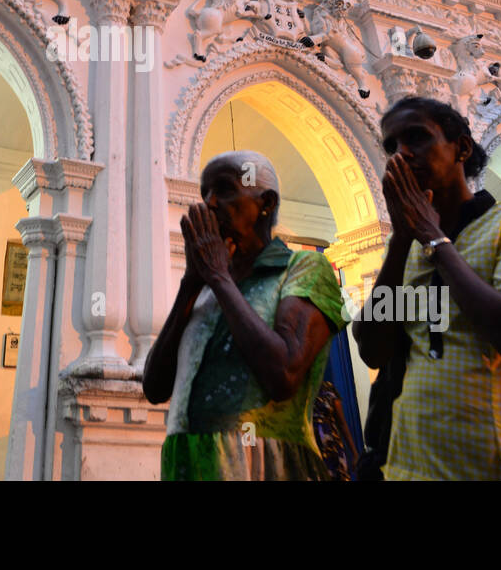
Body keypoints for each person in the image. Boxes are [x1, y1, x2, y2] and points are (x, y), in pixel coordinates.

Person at [352, 96, 501, 480]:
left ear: (461, 147)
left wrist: (432, 238)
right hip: (410, 467)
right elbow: (372, 349)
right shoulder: (407, 251)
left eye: (417, 138)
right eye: (392, 147)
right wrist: (401, 238)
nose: (402, 155)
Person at [142, 150, 349, 480]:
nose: (209, 204)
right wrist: (191, 283)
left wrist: (219, 278)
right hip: (188, 465)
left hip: (264, 464)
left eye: (224, 189)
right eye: (204, 193)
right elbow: (154, 388)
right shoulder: (207, 285)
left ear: (265, 203)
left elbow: (283, 374)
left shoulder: (302, 268)